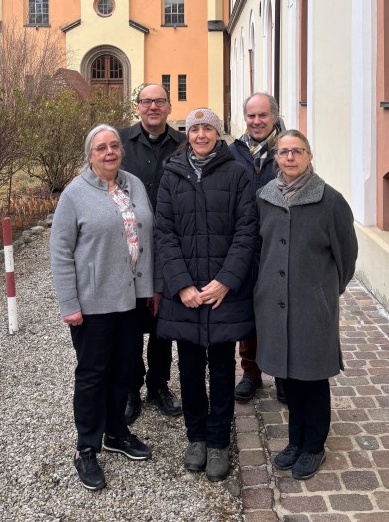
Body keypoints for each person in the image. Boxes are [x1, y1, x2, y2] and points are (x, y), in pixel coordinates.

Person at [155, 108, 257, 483]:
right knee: (191, 369)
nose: (200, 135)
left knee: (223, 368)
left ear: (218, 134)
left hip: (221, 293)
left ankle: (218, 442)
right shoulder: (172, 174)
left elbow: (247, 231)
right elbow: (163, 232)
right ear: (188, 134)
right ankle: (196, 437)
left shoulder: (236, 174)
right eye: (194, 128)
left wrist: (225, 282)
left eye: (207, 129)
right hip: (187, 295)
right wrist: (181, 284)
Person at [50, 124, 154, 492]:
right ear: (90, 155)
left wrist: (150, 289)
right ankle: (86, 448)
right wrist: (69, 304)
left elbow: (146, 238)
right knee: (93, 375)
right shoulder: (75, 195)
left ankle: (116, 433)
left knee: (124, 370)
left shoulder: (134, 185)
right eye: (101, 148)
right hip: (92, 305)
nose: (109, 152)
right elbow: (60, 253)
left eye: (114, 146)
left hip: (130, 300)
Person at [254, 130, 358, 480]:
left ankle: (314, 444)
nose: (290, 158)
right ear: (276, 158)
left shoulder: (330, 200)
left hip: (311, 306)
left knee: (312, 376)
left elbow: (346, 257)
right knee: (288, 375)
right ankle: (295, 440)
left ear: (309, 156)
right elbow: (260, 248)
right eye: (283, 152)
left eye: (297, 151)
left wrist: (323, 292)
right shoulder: (265, 197)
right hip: (274, 302)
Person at [119, 83, 186, 423]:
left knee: (163, 324)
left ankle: (158, 385)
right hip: (128, 247)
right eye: (146, 102)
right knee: (129, 323)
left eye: (159, 101)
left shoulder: (183, 145)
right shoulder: (121, 143)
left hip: (170, 244)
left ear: (169, 107)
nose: (153, 107)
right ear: (138, 107)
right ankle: (131, 388)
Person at [230, 92, 286, 404]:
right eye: (251, 116)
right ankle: (251, 372)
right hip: (244, 244)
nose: (256, 121)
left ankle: (283, 374)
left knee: (279, 312)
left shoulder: (287, 148)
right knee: (247, 310)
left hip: (278, 243)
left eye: (262, 115)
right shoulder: (233, 151)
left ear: (274, 117)